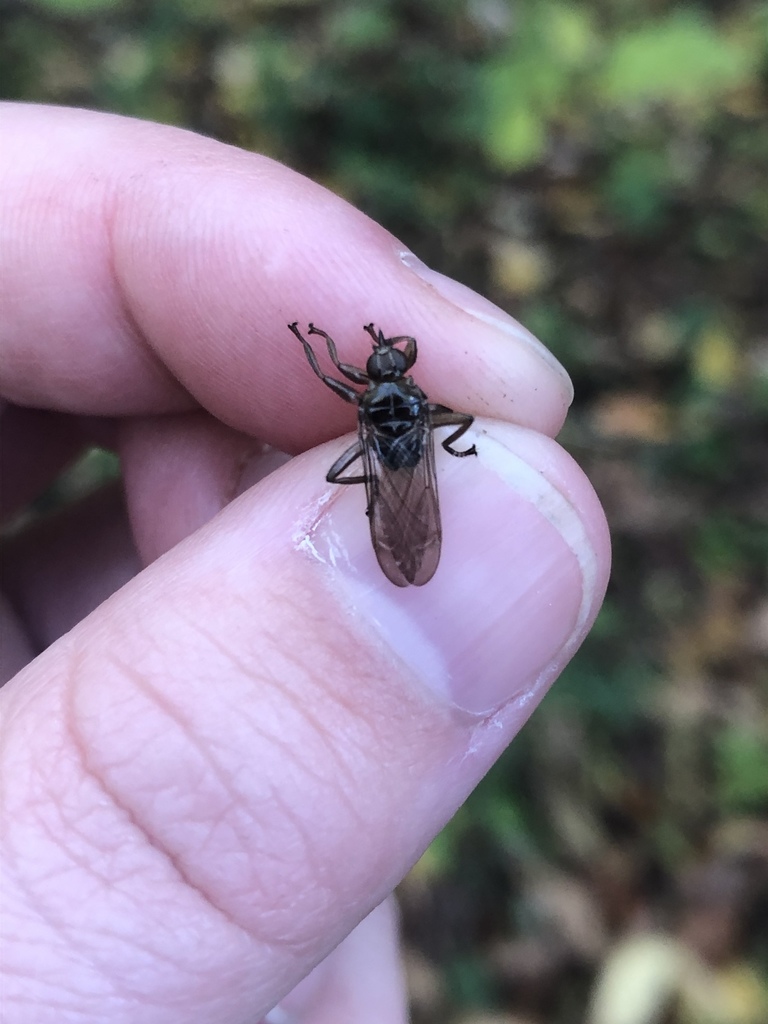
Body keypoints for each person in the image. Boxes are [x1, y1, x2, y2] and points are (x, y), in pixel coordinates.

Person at [0, 104, 611, 1024]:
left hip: (388, 469)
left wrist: (330, 360)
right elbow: (367, 398)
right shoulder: (403, 402)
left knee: (362, 480)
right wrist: (337, 364)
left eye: (387, 364)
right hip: (395, 470)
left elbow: (347, 392)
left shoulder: (381, 405)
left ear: (390, 383)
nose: (386, 367)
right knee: (368, 483)